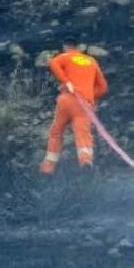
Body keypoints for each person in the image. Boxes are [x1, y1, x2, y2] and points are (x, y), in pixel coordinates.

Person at [41, 40, 109, 175]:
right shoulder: (91, 61)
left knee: (56, 131)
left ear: (65, 46)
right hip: (84, 104)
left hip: (67, 100)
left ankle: (48, 166)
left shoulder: (65, 56)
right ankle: (85, 161)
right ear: (79, 47)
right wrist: (88, 94)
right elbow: (103, 88)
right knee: (83, 133)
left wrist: (67, 82)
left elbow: (53, 63)